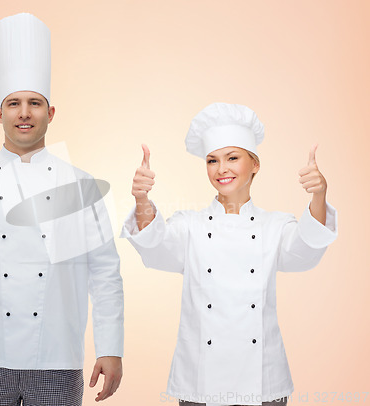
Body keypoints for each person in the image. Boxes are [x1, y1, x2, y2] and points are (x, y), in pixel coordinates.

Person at [0, 13, 123, 406]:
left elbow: (105, 270)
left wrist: (110, 347)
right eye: (14, 103)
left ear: (51, 112)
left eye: (35, 103)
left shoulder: (79, 184)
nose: (24, 112)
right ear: (0, 113)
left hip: (56, 356)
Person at [121, 103, 337, 406]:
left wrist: (319, 195)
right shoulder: (190, 225)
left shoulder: (275, 225)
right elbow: (155, 247)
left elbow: (307, 250)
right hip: (200, 384)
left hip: (263, 384)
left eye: (232, 158)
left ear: (255, 164)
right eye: (212, 160)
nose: (221, 169)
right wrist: (141, 198)